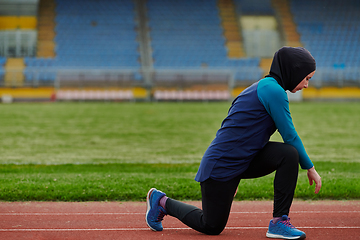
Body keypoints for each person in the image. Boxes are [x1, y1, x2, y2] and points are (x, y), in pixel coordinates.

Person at [145, 46, 322, 239]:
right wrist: (310, 167)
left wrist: (238, 173)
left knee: (288, 154)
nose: (306, 85)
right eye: (307, 78)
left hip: (241, 161)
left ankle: (279, 222)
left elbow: (242, 131)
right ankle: (161, 201)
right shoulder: (273, 90)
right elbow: (290, 135)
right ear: (294, 70)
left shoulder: (264, 87)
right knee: (211, 226)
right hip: (221, 166)